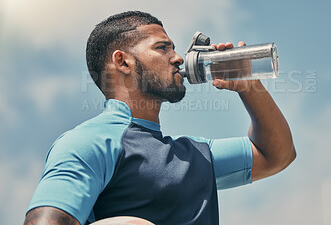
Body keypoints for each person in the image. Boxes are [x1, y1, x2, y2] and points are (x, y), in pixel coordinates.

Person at [24, 11, 296, 225]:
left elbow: (276, 155)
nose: (178, 58)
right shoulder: (90, 143)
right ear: (123, 62)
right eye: (162, 48)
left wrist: (249, 85)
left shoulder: (194, 155)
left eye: (174, 48)